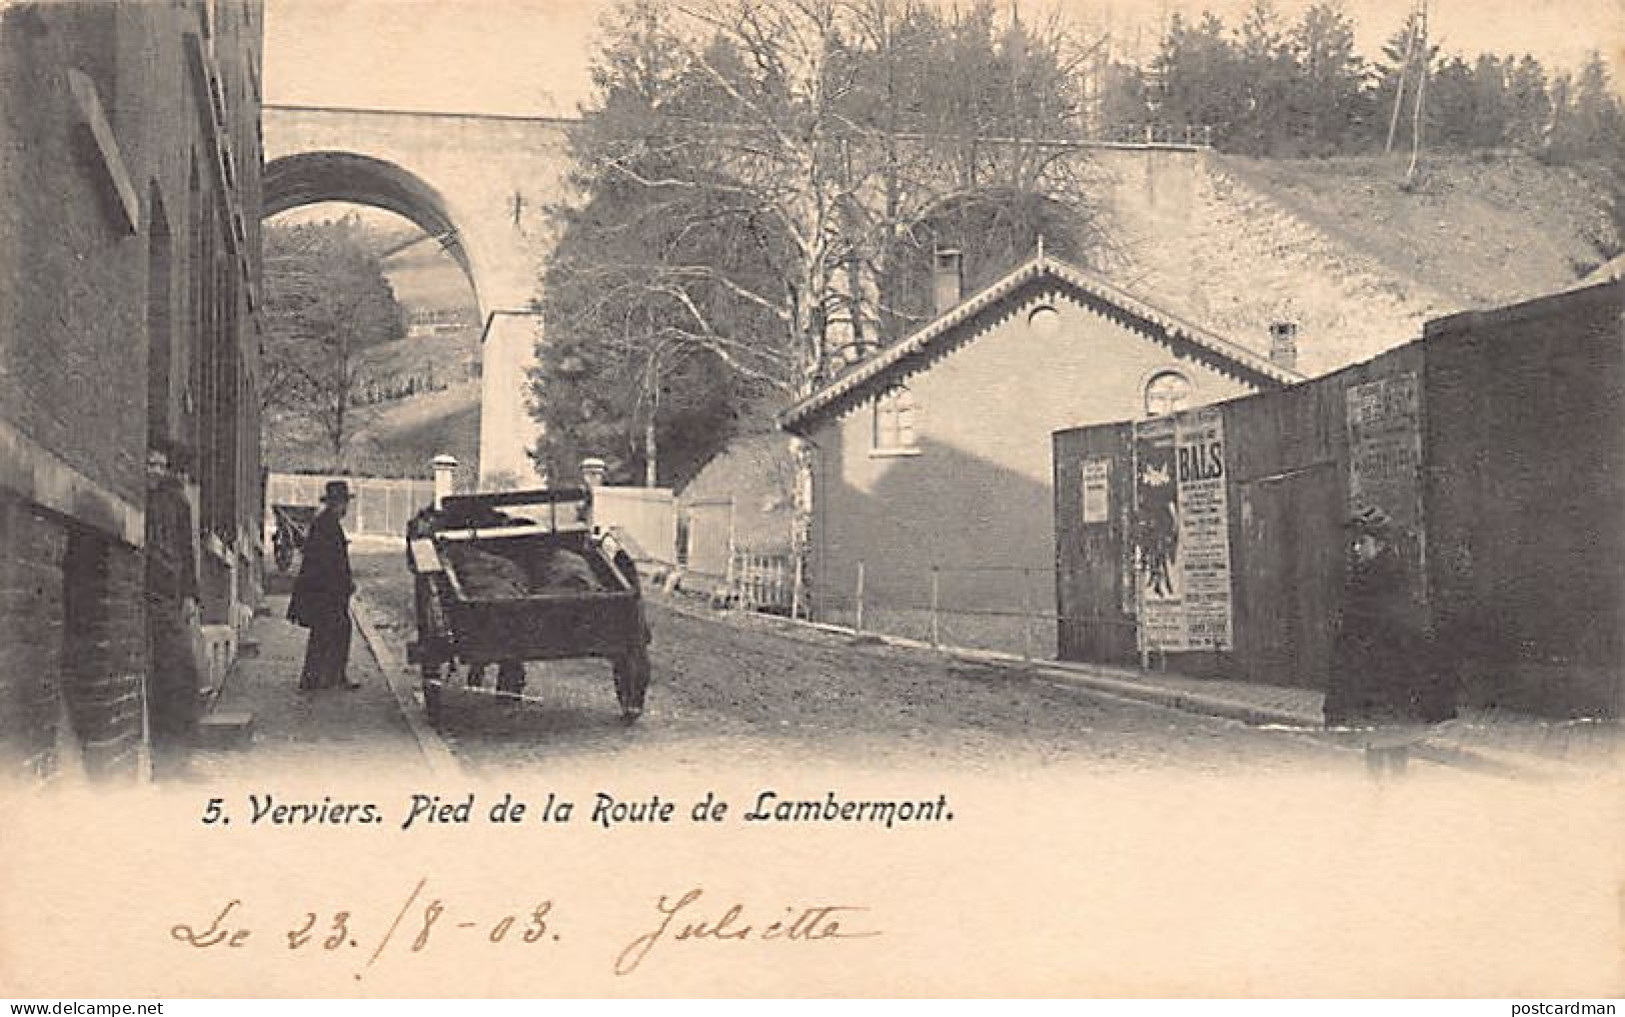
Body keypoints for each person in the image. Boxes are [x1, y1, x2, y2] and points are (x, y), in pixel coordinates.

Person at [1323, 505, 1453, 776]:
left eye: (1362, 543)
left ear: (1380, 544)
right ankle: (1383, 788)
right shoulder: (1363, 577)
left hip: (1390, 673)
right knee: (1378, 737)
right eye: (1355, 543)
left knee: (1389, 736)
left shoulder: (1392, 579)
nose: (1356, 549)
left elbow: (1406, 625)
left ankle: (1390, 788)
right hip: (1373, 674)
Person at [288, 480, 359, 691]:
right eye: (343, 503)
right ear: (336, 503)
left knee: (327, 632)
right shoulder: (327, 525)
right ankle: (324, 677)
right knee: (335, 631)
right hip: (326, 591)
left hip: (325, 590)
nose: (345, 508)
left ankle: (322, 676)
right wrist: (344, 584)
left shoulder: (326, 522)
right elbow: (330, 562)